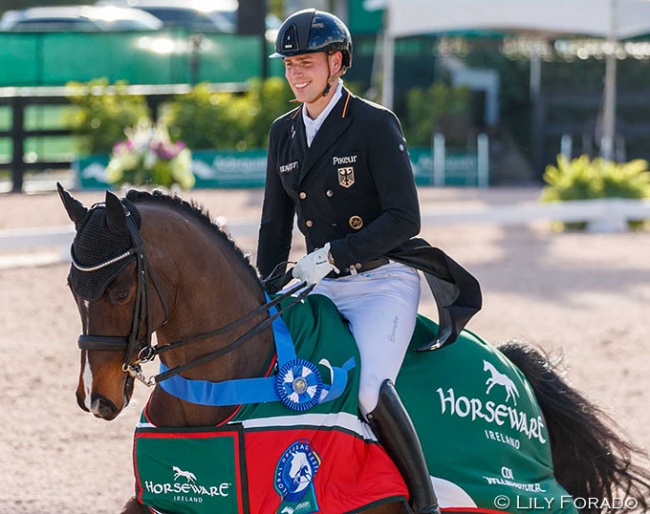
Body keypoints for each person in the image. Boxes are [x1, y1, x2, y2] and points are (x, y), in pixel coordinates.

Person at [256, 9, 480, 514]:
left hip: (382, 280)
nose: (295, 73)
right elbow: (274, 228)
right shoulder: (283, 133)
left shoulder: (374, 124)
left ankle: (423, 501)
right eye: (290, 64)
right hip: (321, 285)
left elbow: (406, 216)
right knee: (292, 382)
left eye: (307, 63)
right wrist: (263, 291)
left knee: (368, 389)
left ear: (337, 63)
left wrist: (334, 254)